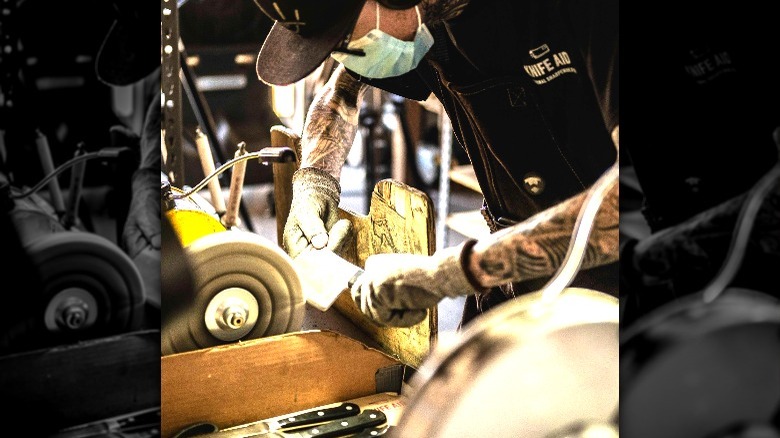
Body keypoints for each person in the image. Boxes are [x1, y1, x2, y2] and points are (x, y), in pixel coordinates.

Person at [254, 0, 620, 328]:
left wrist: (448, 273)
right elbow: (340, 93)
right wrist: (315, 181)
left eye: (343, 38)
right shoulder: (428, 20)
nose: (341, 55)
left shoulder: (589, 13)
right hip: (513, 278)